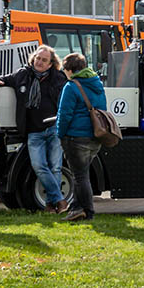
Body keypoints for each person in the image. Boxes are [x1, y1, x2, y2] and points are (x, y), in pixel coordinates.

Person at [0, 45, 68, 213]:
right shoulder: (22, 74)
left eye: (44, 60)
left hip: (53, 128)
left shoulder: (59, 78)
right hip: (34, 132)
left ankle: (50, 204)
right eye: (38, 58)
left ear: (50, 64)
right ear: (33, 59)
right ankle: (60, 200)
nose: (39, 62)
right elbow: (3, 79)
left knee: (55, 167)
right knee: (39, 166)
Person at [56, 52, 106, 222]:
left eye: (64, 70)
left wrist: (59, 134)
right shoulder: (96, 83)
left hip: (76, 138)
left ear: (70, 70)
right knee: (82, 174)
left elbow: (64, 115)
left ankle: (88, 211)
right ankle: (77, 208)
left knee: (80, 176)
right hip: (95, 136)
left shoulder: (71, 87)